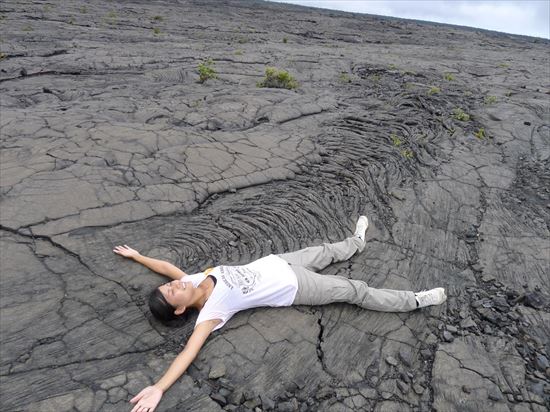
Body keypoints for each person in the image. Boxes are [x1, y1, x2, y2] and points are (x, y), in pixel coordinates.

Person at [114, 215, 446, 412]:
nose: (174, 285)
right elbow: (188, 353)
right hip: (296, 287)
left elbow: (166, 267)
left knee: (328, 251)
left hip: (280, 260)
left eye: (169, 286)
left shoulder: (190, 280)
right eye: (171, 292)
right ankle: (415, 300)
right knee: (354, 290)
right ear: (181, 308)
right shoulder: (211, 313)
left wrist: (138, 256)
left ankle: (357, 242)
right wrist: (159, 387)